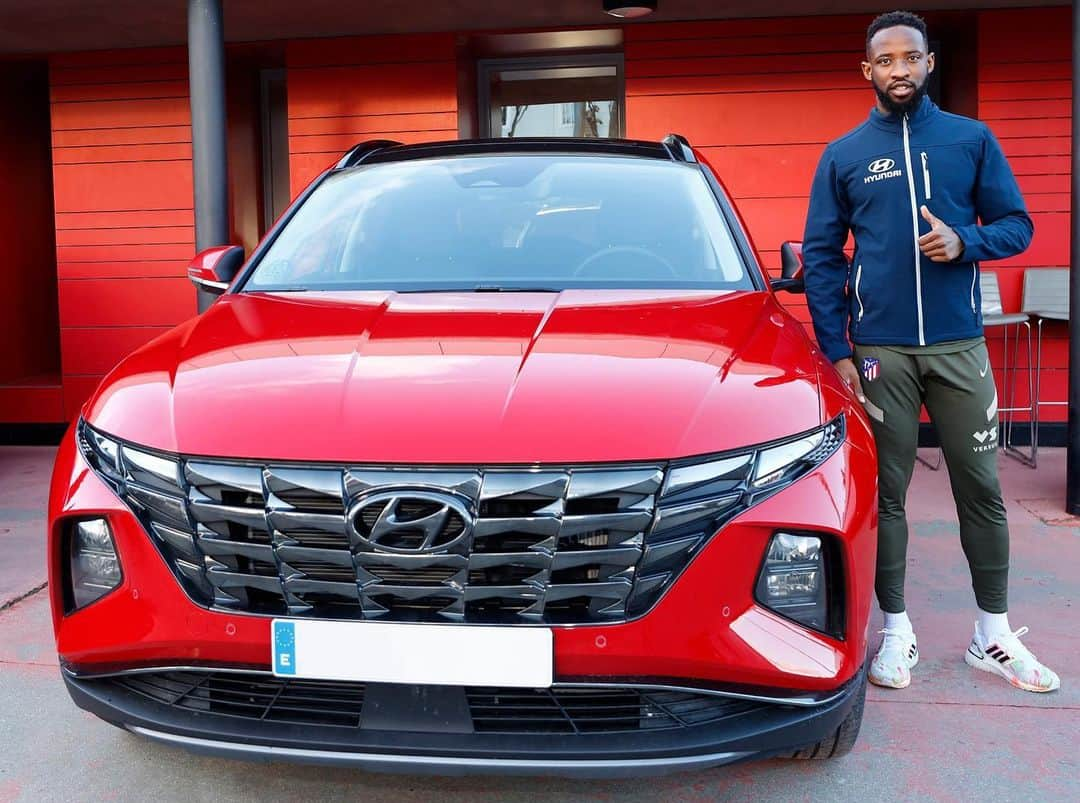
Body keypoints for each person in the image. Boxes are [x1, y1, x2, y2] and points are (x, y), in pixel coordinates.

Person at [802, 10, 1059, 693]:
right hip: (881, 351)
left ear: (929, 62)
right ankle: (897, 632)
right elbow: (823, 259)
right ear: (868, 71)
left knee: (982, 489)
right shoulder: (845, 154)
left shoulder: (970, 141)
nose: (898, 70)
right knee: (887, 495)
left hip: (958, 348)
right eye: (884, 60)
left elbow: (1018, 225)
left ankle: (992, 634)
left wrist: (965, 243)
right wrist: (838, 350)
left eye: (909, 58)